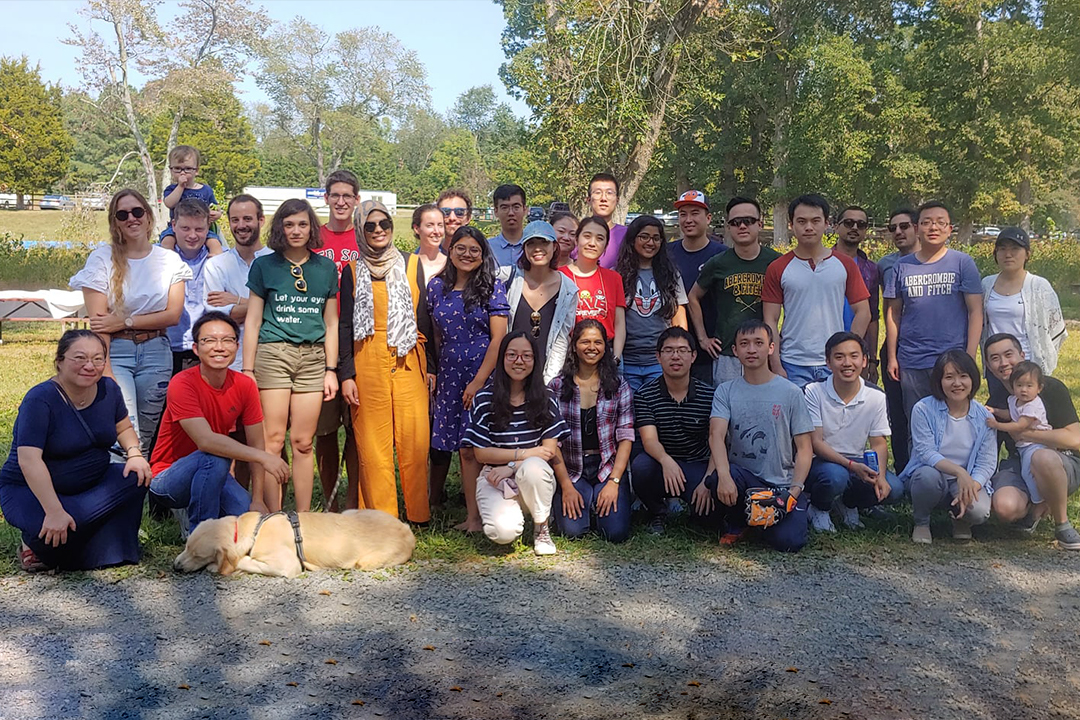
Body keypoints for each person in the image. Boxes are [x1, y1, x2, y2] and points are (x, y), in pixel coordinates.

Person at [0, 330, 150, 572]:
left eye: (98, 359)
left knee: (136, 476)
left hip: (91, 487)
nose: (89, 366)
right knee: (51, 533)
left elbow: (122, 427)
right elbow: (29, 461)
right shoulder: (40, 399)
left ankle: (96, 544)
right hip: (32, 491)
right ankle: (38, 543)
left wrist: (134, 454)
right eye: (80, 358)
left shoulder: (109, 389)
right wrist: (54, 511)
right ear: (59, 361)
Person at [70, 188, 193, 453]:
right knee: (124, 433)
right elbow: (100, 323)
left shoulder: (170, 260)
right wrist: (106, 370)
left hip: (157, 352)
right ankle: (117, 478)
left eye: (137, 211)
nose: (131, 219)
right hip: (116, 352)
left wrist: (125, 321)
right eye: (122, 214)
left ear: (148, 216)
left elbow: (173, 315)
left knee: (145, 436)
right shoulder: (101, 259)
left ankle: (138, 480)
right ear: (115, 222)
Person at [149, 312, 290, 535]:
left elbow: (256, 442)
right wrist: (264, 457)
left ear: (237, 346)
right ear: (196, 349)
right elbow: (206, 441)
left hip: (215, 474)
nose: (219, 347)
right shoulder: (182, 383)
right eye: (209, 340)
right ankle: (201, 535)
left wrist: (258, 499)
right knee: (214, 455)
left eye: (227, 340)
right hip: (168, 477)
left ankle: (203, 512)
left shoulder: (245, 385)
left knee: (252, 524)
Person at [339, 200, 433, 525]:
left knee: (414, 437)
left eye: (384, 224)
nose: (379, 230)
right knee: (372, 442)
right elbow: (345, 325)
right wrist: (346, 374)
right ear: (360, 230)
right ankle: (381, 516)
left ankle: (418, 514)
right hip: (366, 357)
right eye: (370, 226)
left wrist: (431, 367)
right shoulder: (352, 271)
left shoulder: (412, 264)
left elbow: (424, 318)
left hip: (408, 356)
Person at [243, 198, 339, 513]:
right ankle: (274, 515)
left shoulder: (325, 268)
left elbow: (331, 323)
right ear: (279, 229)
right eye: (289, 224)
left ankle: (303, 517)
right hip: (274, 354)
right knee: (272, 440)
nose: (296, 231)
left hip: (313, 359)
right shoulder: (264, 266)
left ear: (311, 228)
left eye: (302, 224)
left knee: (303, 442)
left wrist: (331, 369)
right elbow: (253, 321)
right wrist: (247, 370)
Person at [706, 320, 814, 552]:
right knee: (717, 479)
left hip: (781, 485)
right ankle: (739, 520)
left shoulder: (791, 392)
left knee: (789, 543)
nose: (751, 350)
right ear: (735, 350)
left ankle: (776, 516)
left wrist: (794, 491)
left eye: (758, 343)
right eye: (744, 344)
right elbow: (716, 435)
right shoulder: (725, 391)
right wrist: (723, 475)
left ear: (771, 348)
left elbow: (805, 448)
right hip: (744, 480)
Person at [427, 226, 509, 530]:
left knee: (476, 445)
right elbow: (436, 335)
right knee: (458, 445)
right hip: (450, 372)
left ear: (483, 254)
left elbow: (499, 339)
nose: (467, 254)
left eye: (474, 249)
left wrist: (478, 381)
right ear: (451, 251)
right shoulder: (436, 287)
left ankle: (485, 514)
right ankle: (468, 514)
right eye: (461, 248)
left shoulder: (492, 287)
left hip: (483, 369)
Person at [461, 331, 569, 554]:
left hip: (531, 475)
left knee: (534, 468)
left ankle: (541, 528)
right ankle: (515, 513)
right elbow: (482, 454)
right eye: (512, 355)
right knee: (503, 533)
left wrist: (512, 465)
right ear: (502, 358)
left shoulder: (547, 398)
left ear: (535, 361)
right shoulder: (484, 399)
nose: (519, 361)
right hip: (494, 478)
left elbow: (548, 451)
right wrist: (528, 453)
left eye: (526, 356)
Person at [883, 201, 983, 426]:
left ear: (950, 229)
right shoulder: (902, 266)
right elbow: (893, 313)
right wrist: (892, 357)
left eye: (940, 223)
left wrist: (969, 356)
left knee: (955, 423)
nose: (933, 227)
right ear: (917, 228)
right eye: (927, 222)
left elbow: (975, 311)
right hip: (912, 360)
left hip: (953, 359)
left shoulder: (962, 263)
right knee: (918, 424)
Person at [762, 193, 870, 388]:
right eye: (801, 221)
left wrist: (848, 352)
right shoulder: (778, 267)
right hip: (792, 362)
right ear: (791, 224)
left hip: (834, 362)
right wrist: (776, 364)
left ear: (826, 223)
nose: (809, 227)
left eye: (815, 221)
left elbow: (863, 311)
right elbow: (770, 319)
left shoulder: (845, 264)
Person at [984, 334, 1080, 550]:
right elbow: (989, 450)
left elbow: (1076, 439)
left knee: (1042, 457)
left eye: (1008, 354)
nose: (1003, 363)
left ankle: (1062, 524)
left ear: (1022, 355)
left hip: (1060, 461)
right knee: (1005, 507)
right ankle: (1039, 504)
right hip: (1019, 462)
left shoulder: (1050, 388)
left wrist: (1029, 435)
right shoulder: (999, 399)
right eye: (995, 358)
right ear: (989, 367)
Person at [803, 332, 903, 533]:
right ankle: (819, 507)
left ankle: (849, 503)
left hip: (857, 460)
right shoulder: (813, 391)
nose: (847, 363)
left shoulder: (875, 396)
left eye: (854, 356)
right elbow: (816, 442)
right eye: (839, 357)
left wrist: (881, 475)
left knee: (895, 489)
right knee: (835, 477)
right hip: (821, 462)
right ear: (828, 362)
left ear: (864, 361)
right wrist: (851, 466)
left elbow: (879, 443)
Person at [549, 320, 634, 542]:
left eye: (598, 342)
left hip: (607, 467)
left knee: (615, 534)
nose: (592, 347)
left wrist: (614, 481)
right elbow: (552, 441)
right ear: (574, 345)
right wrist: (566, 486)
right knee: (572, 532)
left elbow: (626, 437)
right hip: (572, 469)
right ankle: (587, 505)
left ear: (605, 347)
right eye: (585, 342)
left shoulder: (619, 386)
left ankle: (600, 504)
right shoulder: (557, 386)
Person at [901, 349, 996, 544]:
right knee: (926, 477)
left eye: (963, 376)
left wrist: (971, 485)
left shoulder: (984, 417)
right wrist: (959, 472)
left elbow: (987, 462)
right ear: (939, 381)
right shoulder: (923, 409)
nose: (957, 383)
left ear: (973, 379)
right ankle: (922, 522)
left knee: (979, 512)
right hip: (933, 474)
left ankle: (960, 520)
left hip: (966, 479)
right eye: (949, 377)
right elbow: (925, 452)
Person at [630, 327, 718, 535]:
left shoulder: (710, 395)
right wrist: (666, 461)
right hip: (662, 465)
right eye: (668, 350)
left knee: (709, 520)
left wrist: (707, 480)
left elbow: (718, 442)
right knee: (641, 467)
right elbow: (649, 440)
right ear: (658, 357)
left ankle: (696, 511)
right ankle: (657, 512)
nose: (675, 356)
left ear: (693, 356)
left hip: (697, 464)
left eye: (682, 350)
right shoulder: (645, 395)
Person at [689, 196, 781, 386]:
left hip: (766, 352)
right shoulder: (718, 263)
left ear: (760, 224)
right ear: (728, 227)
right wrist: (703, 338)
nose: (742, 226)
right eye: (736, 222)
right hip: (728, 353)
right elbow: (693, 297)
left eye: (748, 221)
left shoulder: (776, 262)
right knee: (728, 403)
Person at [314, 170, 361, 511]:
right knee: (325, 429)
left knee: (358, 427)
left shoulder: (366, 236)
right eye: (335, 195)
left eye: (347, 196)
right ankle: (330, 500)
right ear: (326, 198)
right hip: (323, 340)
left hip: (359, 340)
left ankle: (354, 499)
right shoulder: (314, 237)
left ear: (357, 200)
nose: (341, 201)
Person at [980, 226, 1066, 382]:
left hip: (1029, 368)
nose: (1008, 254)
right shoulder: (986, 285)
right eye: (1002, 249)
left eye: (1015, 249)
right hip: (998, 369)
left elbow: (1056, 329)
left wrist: (1043, 358)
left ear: (1027, 254)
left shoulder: (1039, 286)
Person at [615, 215, 688, 391]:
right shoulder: (617, 275)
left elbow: (679, 317)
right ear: (632, 239)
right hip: (626, 361)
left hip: (659, 360)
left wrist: (679, 352)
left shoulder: (671, 275)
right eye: (644, 237)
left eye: (656, 238)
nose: (650, 242)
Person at [204, 194, 273, 372]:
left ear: (261, 220)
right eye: (235, 220)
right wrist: (269, 304)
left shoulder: (278, 262)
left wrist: (237, 301)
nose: (241, 225)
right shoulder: (216, 265)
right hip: (231, 363)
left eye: (247, 219)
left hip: (272, 360)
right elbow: (219, 318)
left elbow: (286, 310)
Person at [505, 221, 580, 382]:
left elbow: (561, 340)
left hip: (544, 376)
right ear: (524, 248)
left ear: (554, 246)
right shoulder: (507, 279)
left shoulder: (568, 289)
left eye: (544, 242)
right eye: (531, 243)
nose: (537, 248)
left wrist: (548, 382)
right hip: (509, 372)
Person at [876, 208, 920, 472]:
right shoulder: (885, 264)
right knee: (897, 409)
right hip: (894, 344)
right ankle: (903, 467)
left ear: (917, 227)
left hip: (926, 345)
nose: (898, 232)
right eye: (893, 228)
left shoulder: (934, 260)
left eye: (904, 226)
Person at [668, 190, 726, 384]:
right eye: (683, 214)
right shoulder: (667, 253)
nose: (688, 220)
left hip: (711, 349)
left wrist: (706, 339)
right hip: (675, 350)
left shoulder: (722, 255)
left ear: (708, 218)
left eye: (695, 213)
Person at [560, 216, 626, 362]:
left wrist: (616, 357)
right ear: (577, 239)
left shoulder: (614, 278)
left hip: (606, 354)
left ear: (606, 245)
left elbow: (619, 323)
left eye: (600, 238)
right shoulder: (559, 276)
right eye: (587, 236)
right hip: (568, 354)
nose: (592, 243)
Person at [986, 361, 1051, 507]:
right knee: (1026, 472)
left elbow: (1020, 425)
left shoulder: (1033, 405)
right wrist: (995, 411)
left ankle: (1038, 502)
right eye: (1019, 385)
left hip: (1037, 445)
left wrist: (997, 425)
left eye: (1029, 386)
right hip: (1024, 446)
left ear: (1039, 388)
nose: (1024, 390)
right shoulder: (1015, 400)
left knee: (1028, 473)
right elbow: (1011, 414)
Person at [832, 206, 880, 383]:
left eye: (860, 225)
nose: (854, 228)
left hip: (857, 351)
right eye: (848, 223)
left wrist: (872, 359)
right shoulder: (821, 261)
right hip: (823, 346)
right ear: (836, 226)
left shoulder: (871, 269)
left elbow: (873, 316)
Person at [165, 198, 212, 374]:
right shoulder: (157, 259)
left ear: (208, 228)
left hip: (205, 350)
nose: (192, 235)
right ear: (174, 225)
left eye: (199, 229)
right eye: (185, 228)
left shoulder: (221, 260)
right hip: (166, 348)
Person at [158, 144, 224, 254]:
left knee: (214, 242)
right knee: (167, 241)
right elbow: (169, 203)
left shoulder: (205, 190)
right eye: (177, 169)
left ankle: (215, 259)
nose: (182, 172)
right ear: (171, 170)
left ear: (196, 170)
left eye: (188, 169)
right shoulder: (172, 189)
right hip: (177, 229)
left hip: (201, 229)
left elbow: (215, 206)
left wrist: (217, 214)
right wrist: (180, 186)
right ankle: (169, 260)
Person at [585, 173, 626, 268]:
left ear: (617, 200)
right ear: (588, 200)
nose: (603, 198)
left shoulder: (628, 235)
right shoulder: (576, 234)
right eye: (598, 193)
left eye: (609, 193)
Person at [488, 183, 527, 270]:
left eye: (516, 207)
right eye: (504, 207)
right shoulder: (487, 248)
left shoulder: (534, 247)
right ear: (496, 211)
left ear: (525, 210)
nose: (511, 213)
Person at [413, 203, 447, 280]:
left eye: (440, 225)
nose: (437, 231)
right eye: (430, 225)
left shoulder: (451, 265)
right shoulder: (407, 264)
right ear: (417, 229)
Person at [436, 188, 473, 253]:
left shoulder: (481, 254)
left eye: (459, 212)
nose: (452, 218)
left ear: (468, 218)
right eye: (445, 212)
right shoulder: (426, 253)